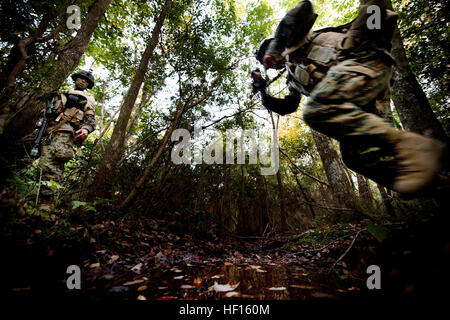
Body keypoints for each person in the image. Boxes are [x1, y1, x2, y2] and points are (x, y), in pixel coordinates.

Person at [252, 0, 445, 194]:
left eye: (268, 55)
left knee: (316, 110)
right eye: (268, 61)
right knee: (354, 157)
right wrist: (262, 90)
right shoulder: (292, 79)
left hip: (361, 58)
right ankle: (434, 183)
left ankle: (420, 148)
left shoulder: (297, 38)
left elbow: (304, 8)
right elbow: (288, 106)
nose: (272, 62)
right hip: (364, 96)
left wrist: (276, 46)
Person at [38, 70, 97, 205]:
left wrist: (85, 130)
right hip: (47, 129)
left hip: (65, 131)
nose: (82, 81)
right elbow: (52, 110)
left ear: (88, 84)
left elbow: (91, 119)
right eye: (80, 78)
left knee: (53, 164)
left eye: (85, 80)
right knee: (42, 163)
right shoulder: (63, 93)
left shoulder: (87, 98)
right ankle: (36, 198)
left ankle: (47, 203)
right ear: (75, 79)